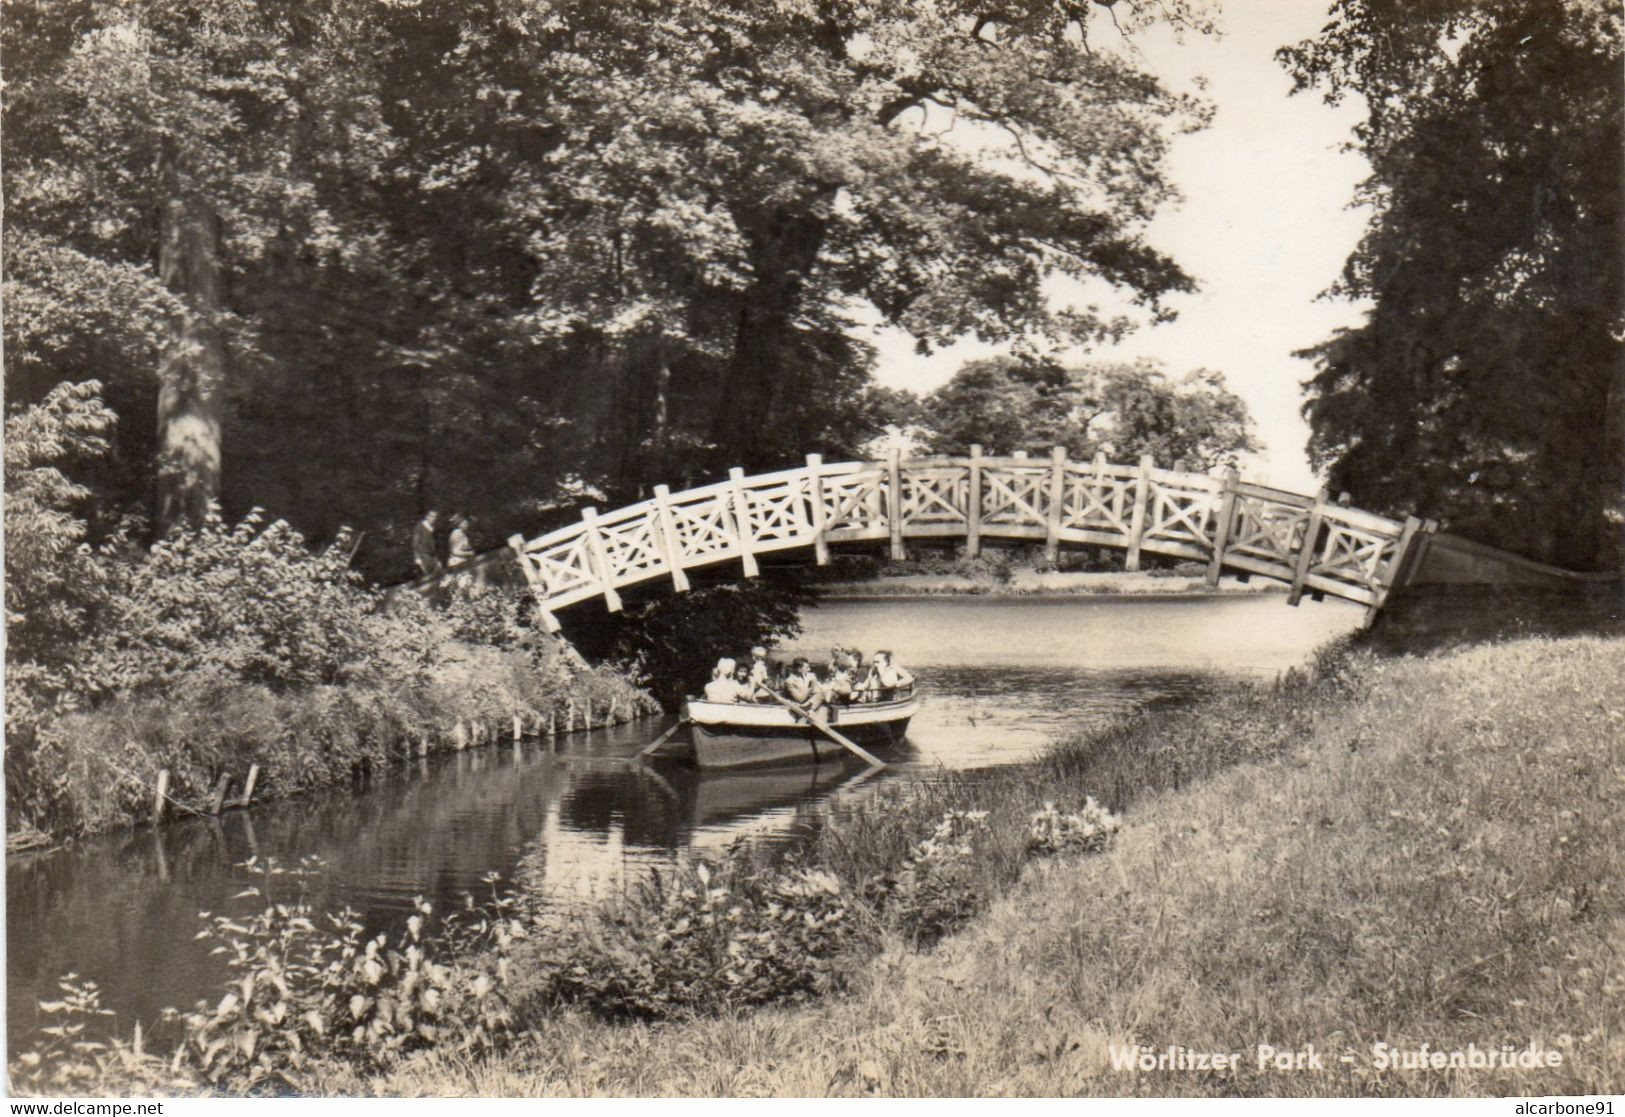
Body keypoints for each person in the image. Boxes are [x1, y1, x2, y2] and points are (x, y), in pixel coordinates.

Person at [412, 510, 443, 578]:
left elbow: (435, 545)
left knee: (438, 576)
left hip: (433, 557)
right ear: (427, 516)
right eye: (432, 516)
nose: (434, 519)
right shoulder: (419, 527)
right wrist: (417, 558)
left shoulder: (433, 528)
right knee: (428, 577)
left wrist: (437, 559)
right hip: (424, 557)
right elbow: (415, 544)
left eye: (435, 517)